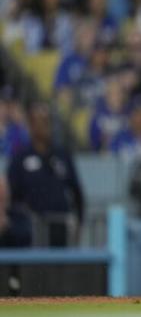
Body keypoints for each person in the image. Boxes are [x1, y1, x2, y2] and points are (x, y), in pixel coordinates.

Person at [6, 102, 84, 247]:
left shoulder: (62, 155)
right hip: (31, 231)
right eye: (40, 121)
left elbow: (77, 191)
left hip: (61, 228)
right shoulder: (20, 158)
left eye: (47, 121)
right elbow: (11, 197)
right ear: (31, 125)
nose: (45, 126)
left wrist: (79, 222)